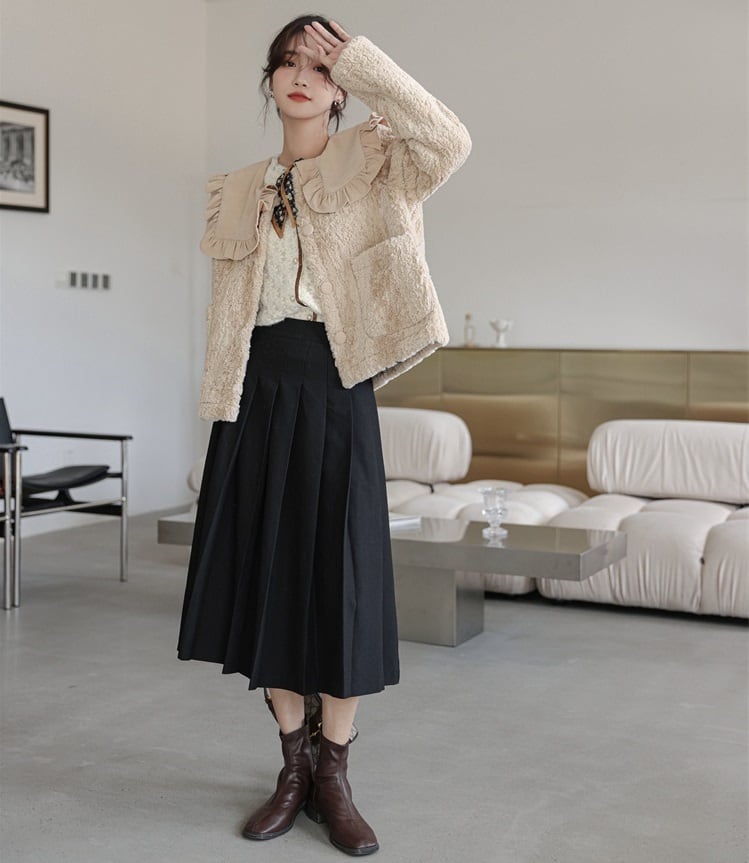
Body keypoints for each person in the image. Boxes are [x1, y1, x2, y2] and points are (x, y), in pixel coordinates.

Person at [177, 14, 471, 857]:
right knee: (265, 575)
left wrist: (363, 61)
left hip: (335, 384)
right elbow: (231, 313)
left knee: (341, 576)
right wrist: (221, 398)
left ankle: (334, 773)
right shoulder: (238, 186)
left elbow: (449, 140)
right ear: (269, 82)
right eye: (287, 63)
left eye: (319, 66)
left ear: (341, 90)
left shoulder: (376, 161)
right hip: (255, 392)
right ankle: (293, 766)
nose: (301, 76)